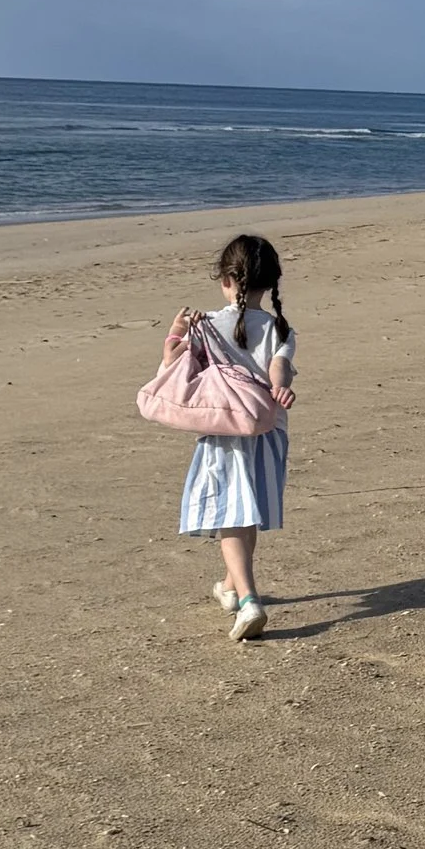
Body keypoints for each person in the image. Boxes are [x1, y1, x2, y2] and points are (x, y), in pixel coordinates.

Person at [165, 232, 296, 642]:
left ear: (225, 279)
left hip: (223, 433)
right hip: (267, 432)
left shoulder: (206, 325)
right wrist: (280, 389)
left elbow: (172, 366)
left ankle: (249, 600)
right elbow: (280, 369)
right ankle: (229, 586)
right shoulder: (280, 328)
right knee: (245, 513)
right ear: (270, 282)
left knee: (229, 518)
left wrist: (174, 331)